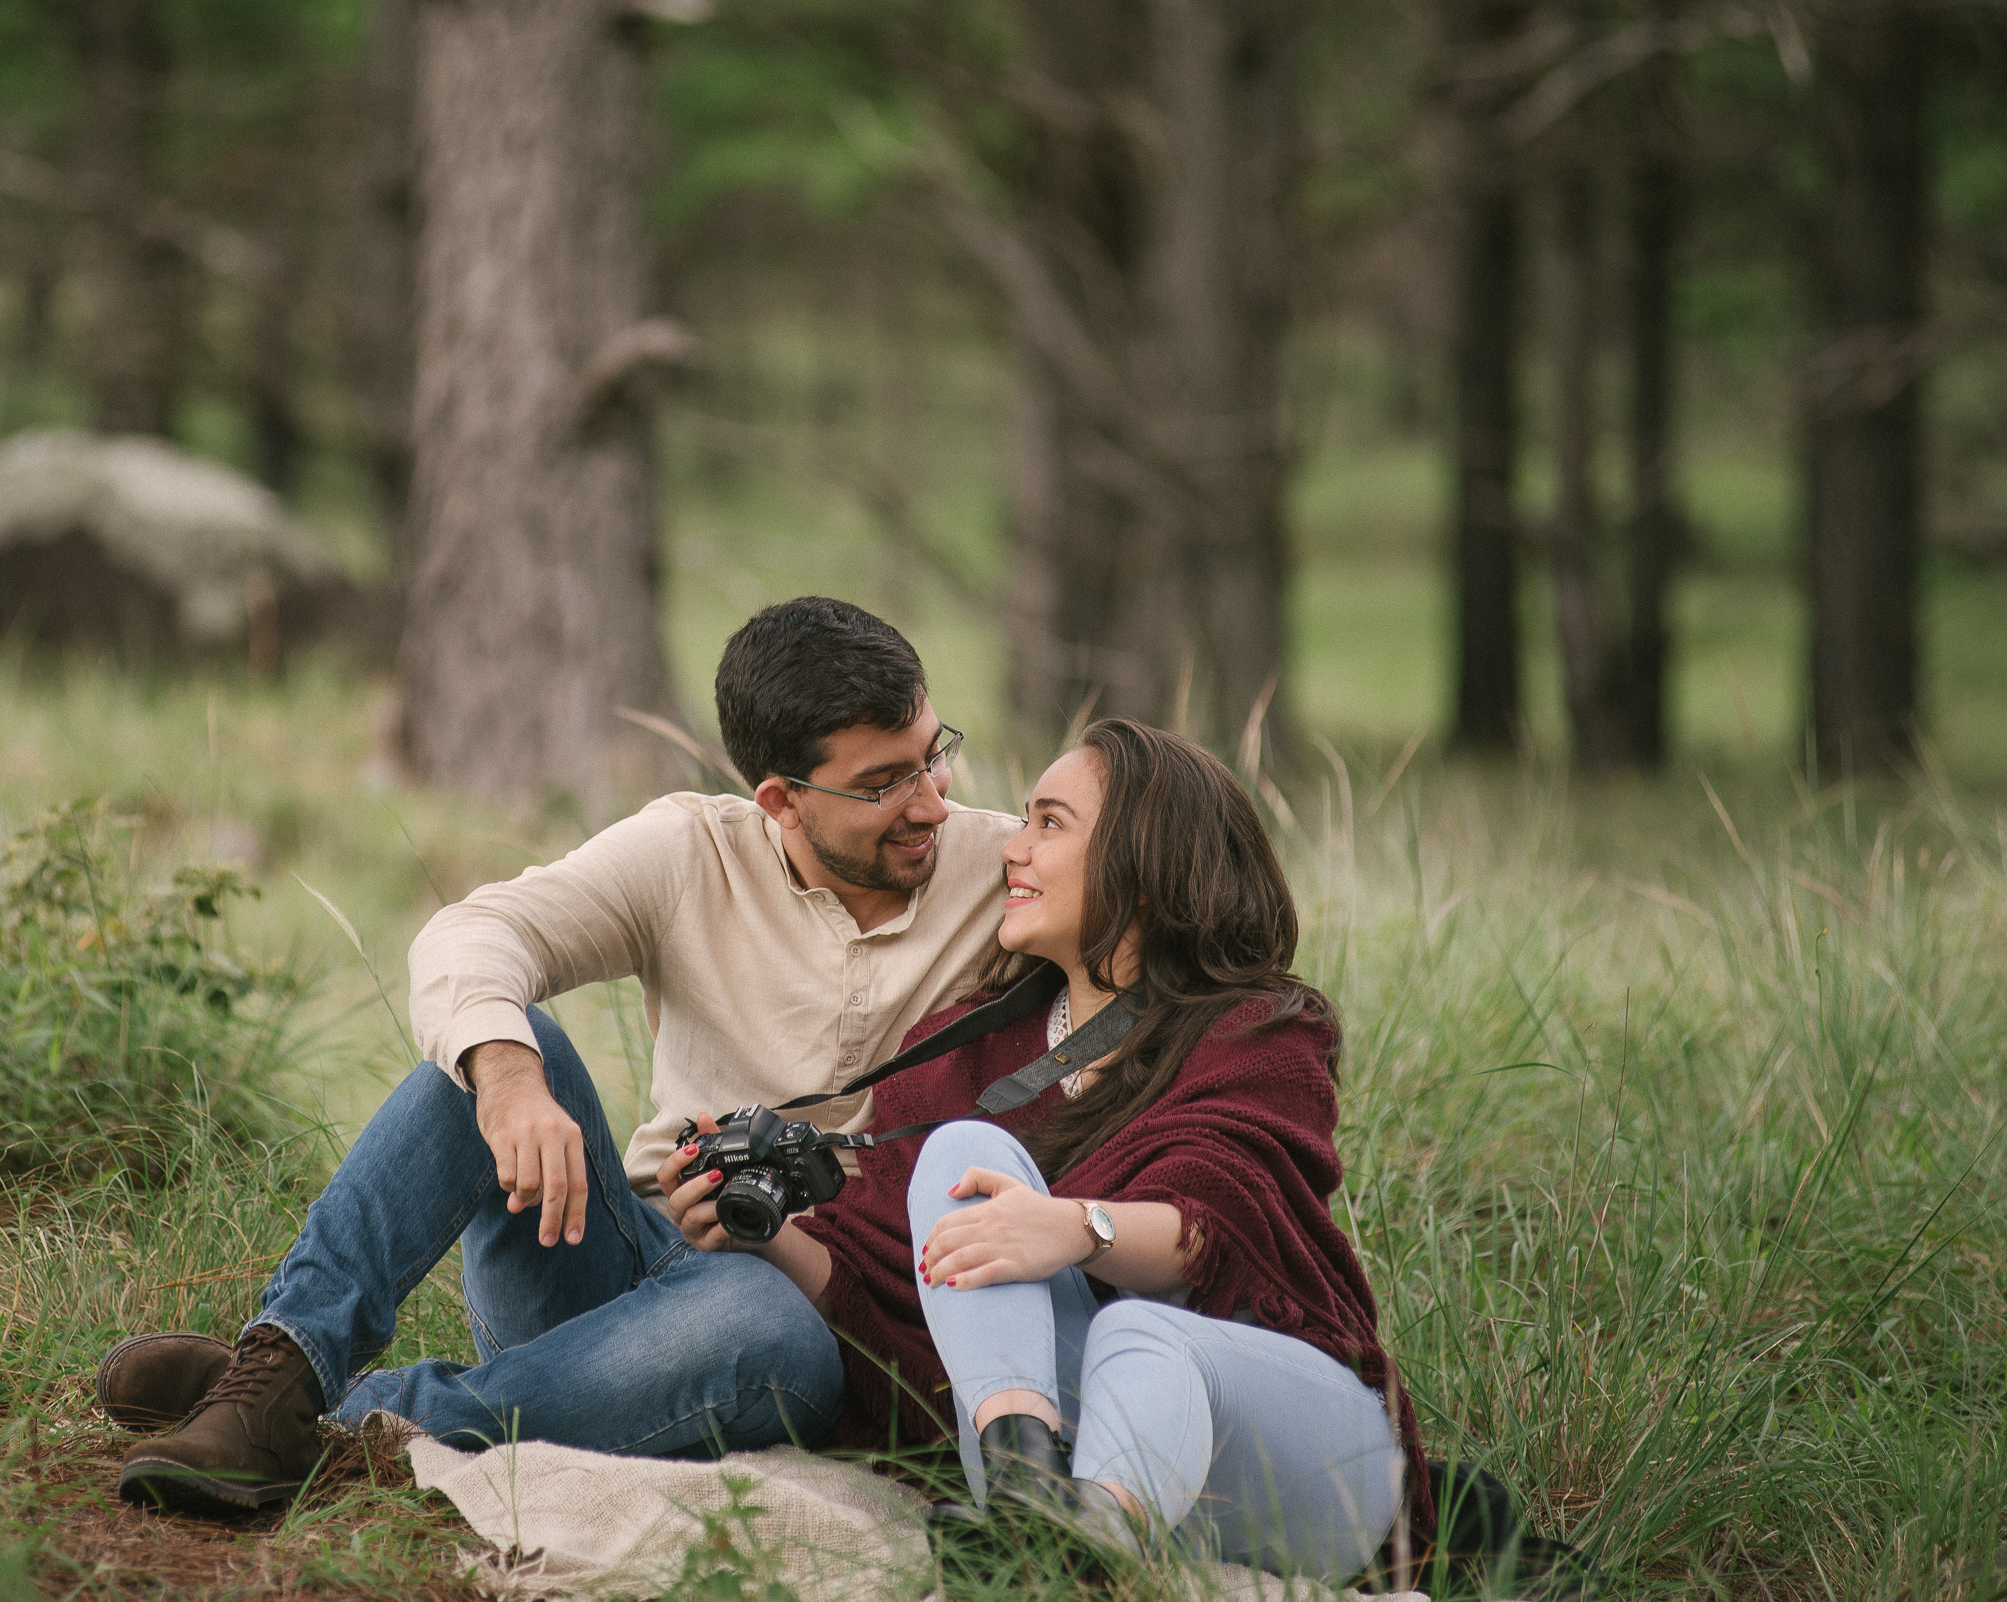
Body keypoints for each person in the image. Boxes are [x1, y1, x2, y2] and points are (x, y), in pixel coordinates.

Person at [108, 597, 1022, 1515]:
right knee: (503, 1043)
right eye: (884, 784)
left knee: (763, 1323)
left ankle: (339, 1414)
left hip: (808, 1309)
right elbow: (476, 931)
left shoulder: (1002, 874)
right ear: (778, 801)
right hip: (614, 1258)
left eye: (934, 755)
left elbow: (1144, 947)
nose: (931, 803)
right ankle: (282, 1363)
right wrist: (507, 1080)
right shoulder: (690, 850)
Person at [656, 718, 1434, 1578]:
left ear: (1146, 862)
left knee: (1143, 1335)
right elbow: (893, 1309)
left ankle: (1080, 1535)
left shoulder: (1258, 1032)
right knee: (962, 1153)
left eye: (1049, 824)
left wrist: (1078, 1229)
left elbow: (1227, 1219)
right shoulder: (964, 1055)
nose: (1010, 851)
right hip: (1087, 1441)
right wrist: (766, 1234)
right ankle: (1041, 1510)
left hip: (1293, 1457)